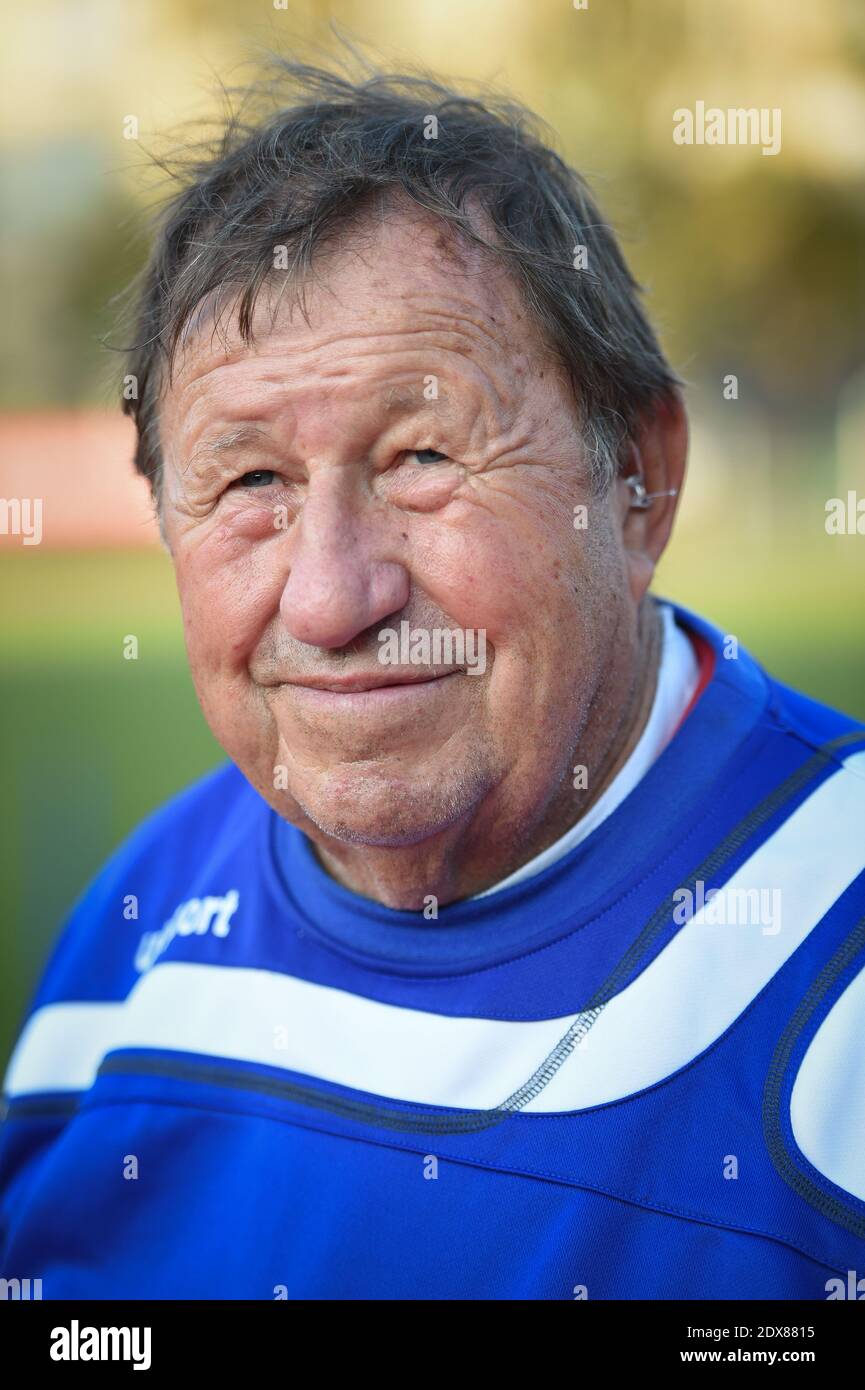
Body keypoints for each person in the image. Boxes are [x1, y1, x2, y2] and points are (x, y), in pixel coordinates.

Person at [2, 61, 864, 1301]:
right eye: (250, 483)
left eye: (422, 455)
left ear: (639, 487)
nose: (330, 598)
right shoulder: (134, 928)